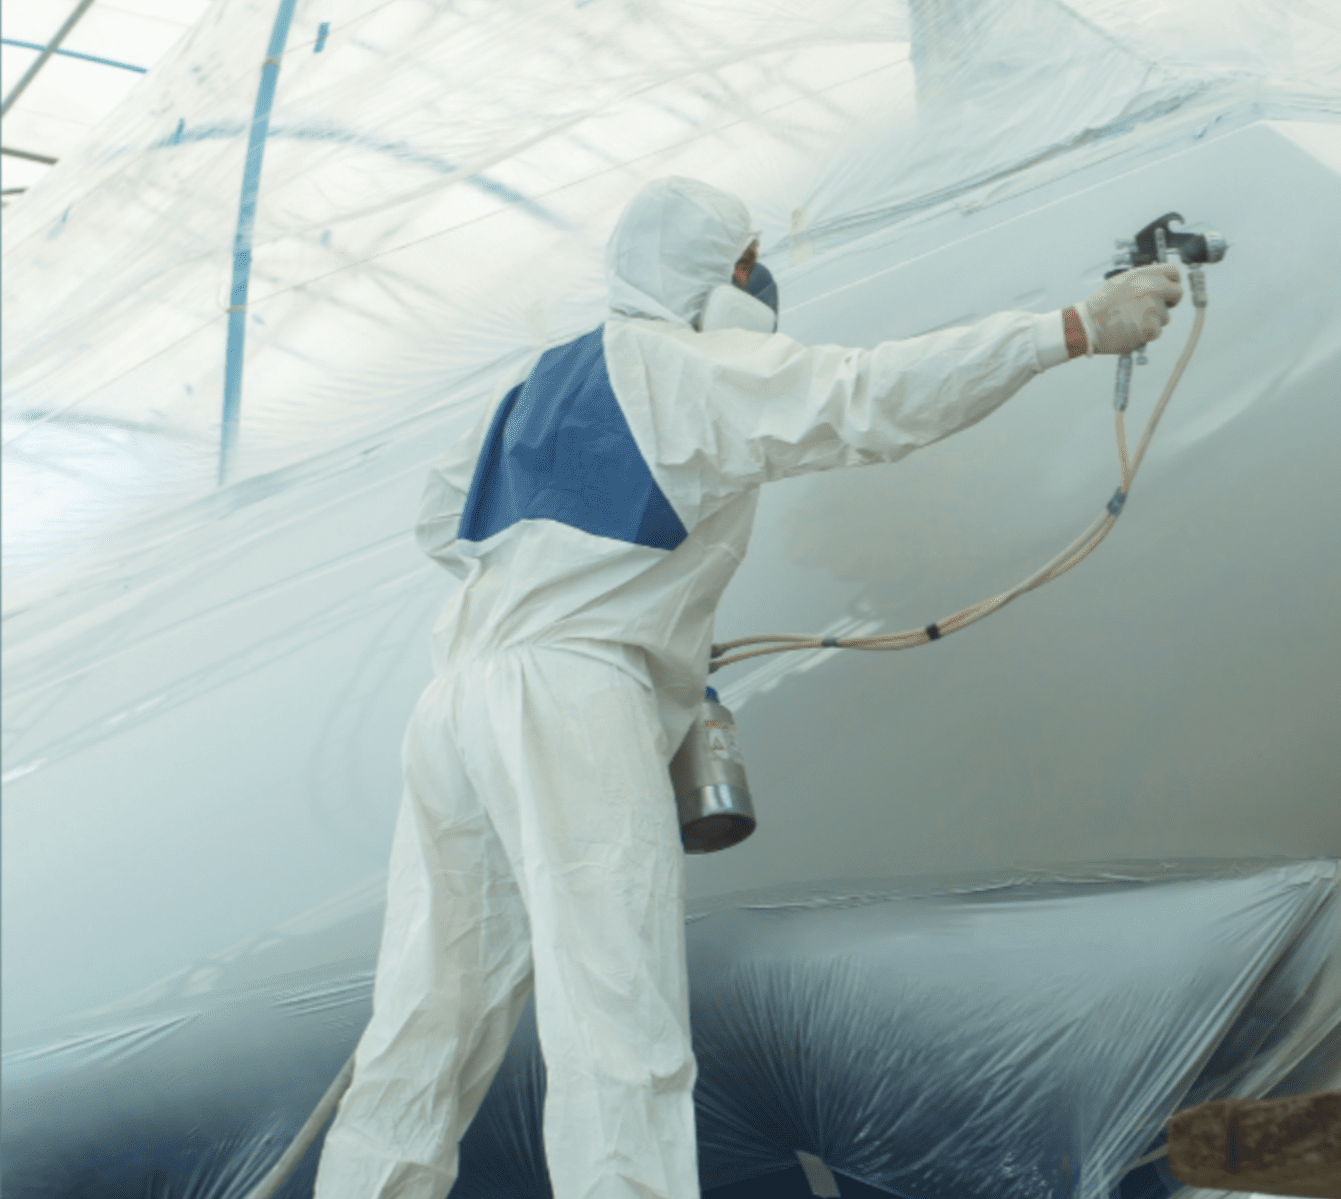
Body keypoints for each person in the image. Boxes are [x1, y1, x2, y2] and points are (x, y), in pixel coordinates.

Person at [313, 176, 1182, 1199]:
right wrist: (1070, 328)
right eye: (747, 256)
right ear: (716, 272)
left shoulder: (536, 382)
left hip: (457, 698)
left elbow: (436, 521)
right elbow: (867, 397)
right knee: (614, 1003)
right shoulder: (686, 363)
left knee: (430, 1010)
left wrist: (587, 595)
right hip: (569, 694)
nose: (756, 277)